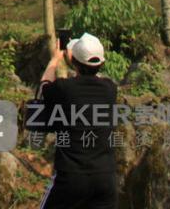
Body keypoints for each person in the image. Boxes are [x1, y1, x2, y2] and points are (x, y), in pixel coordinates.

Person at [34, 32, 118, 209]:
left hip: (71, 178)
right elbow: (95, 80)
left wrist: (55, 59)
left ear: (73, 61)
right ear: (102, 63)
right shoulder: (110, 89)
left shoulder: (65, 89)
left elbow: (43, 88)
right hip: (105, 179)